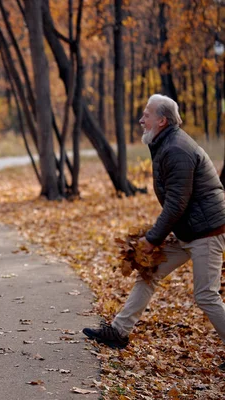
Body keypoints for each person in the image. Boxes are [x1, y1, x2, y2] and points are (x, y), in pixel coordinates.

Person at [82, 94, 225, 371]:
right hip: (189, 229)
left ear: (161, 120)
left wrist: (153, 238)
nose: (141, 119)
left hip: (207, 231)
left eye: (146, 114)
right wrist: (159, 235)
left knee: (206, 295)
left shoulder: (176, 149)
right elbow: (178, 203)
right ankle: (118, 332)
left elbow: (177, 203)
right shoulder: (165, 143)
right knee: (148, 273)